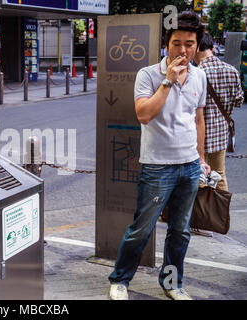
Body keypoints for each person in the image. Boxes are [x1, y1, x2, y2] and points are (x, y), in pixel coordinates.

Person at [108, 12, 210, 300]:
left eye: (189, 44)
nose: (182, 50)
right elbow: (144, 114)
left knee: (180, 232)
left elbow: (197, 119)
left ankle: (171, 284)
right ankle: (119, 280)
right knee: (141, 229)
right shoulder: (148, 74)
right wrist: (167, 81)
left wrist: (201, 158)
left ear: (196, 44)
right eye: (176, 43)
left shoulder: (200, 76)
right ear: (167, 44)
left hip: (189, 166)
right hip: (157, 167)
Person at [192, 33, 244, 236]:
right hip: (221, 134)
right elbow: (239, 100)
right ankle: (220, 216)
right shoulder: (231, 70)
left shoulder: (196, 73)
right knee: (220, 174)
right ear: (212, 47)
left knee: (198, 175)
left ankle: (200, 219)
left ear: (197, 49)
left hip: (198, 136)